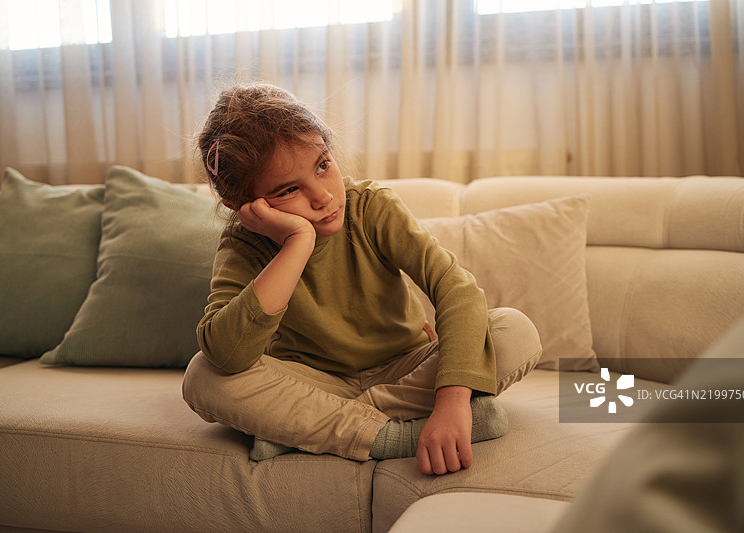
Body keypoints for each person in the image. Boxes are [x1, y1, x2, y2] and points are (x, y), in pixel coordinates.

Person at [182, 83, 542, 475]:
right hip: (317, 383)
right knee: (203, 376)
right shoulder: (243, 245)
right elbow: (227, 353)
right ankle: (394, 437)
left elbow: (456, 289)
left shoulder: (371, 208)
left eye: (323, 165)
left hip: (406, 367)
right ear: (242, 206)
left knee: (514, 330)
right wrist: (297, 243)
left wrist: (451, 402)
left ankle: (310, 430)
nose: (323, 197)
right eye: (289, 190)